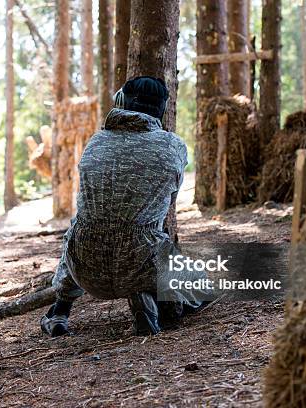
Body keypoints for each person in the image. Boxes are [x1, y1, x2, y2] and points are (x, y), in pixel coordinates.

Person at [41, 76, 204, 337]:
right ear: (162, 108)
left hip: (85, 269)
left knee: (82, 227)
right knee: (203, 285)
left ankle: (59, 311)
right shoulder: (174, 146)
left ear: (121, 102)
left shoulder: (95, 142)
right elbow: (167, 203)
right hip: (141, 263)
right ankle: (144, 296)